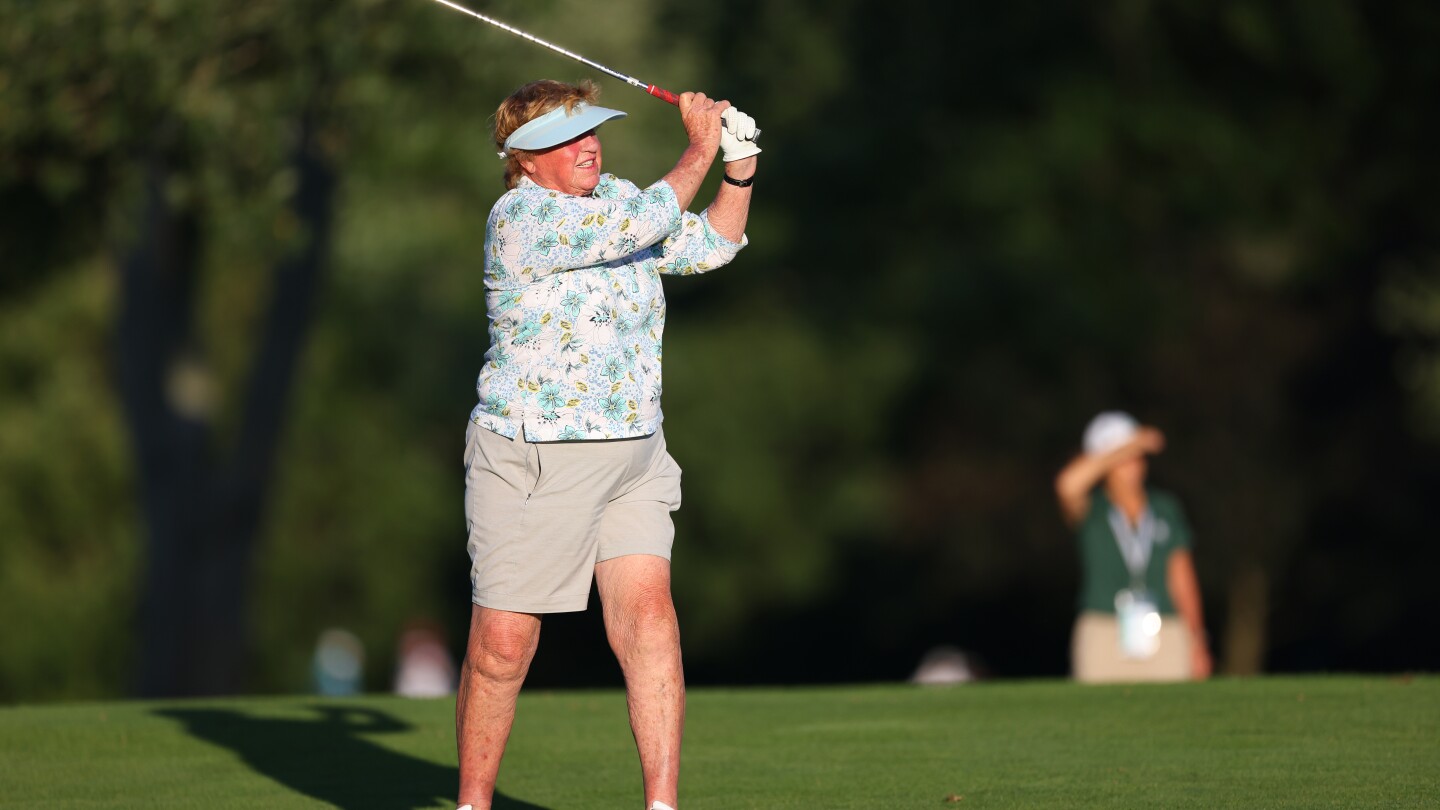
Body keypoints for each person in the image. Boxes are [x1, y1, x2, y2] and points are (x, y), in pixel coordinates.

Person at [455, 79, 760, 810]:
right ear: (523, 158)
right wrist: (699, 145)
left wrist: (739, 165)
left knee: (650, 620)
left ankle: (662, 806)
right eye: (567, 136)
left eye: (593, 129)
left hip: (634, 452)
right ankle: (471, 805)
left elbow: (711, 246)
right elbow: (646, 221)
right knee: (503, 651)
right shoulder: (520, 218)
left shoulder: (616, 200)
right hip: (535, 455)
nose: (590, 143)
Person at [1054, 411, 1213, 683]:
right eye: (1122, 457)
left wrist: (1197, 639)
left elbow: (1182, 576)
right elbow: (1067, 485)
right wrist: (1126, 445)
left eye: (1135, 454)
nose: (1131, 463)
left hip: (1164, 627)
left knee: (1171, 716)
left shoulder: (1165, 508)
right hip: (1104, 628)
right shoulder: (1093, 509)